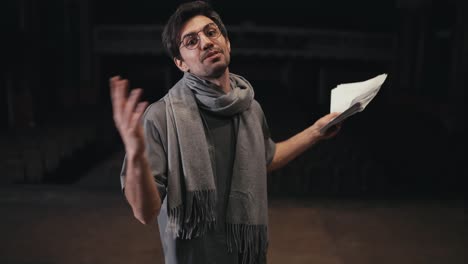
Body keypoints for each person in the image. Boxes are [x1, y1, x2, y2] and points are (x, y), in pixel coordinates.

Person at [110, 1, 341, 263]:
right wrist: (136, 155)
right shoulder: (161, 116)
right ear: (180, 63)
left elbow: (267, 157)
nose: (206, 42)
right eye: (191, 41)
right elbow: (145, 212)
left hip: (248, 255)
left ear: (227, 43)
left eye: (211, 32)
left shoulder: (250, 108)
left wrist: (315, 132)